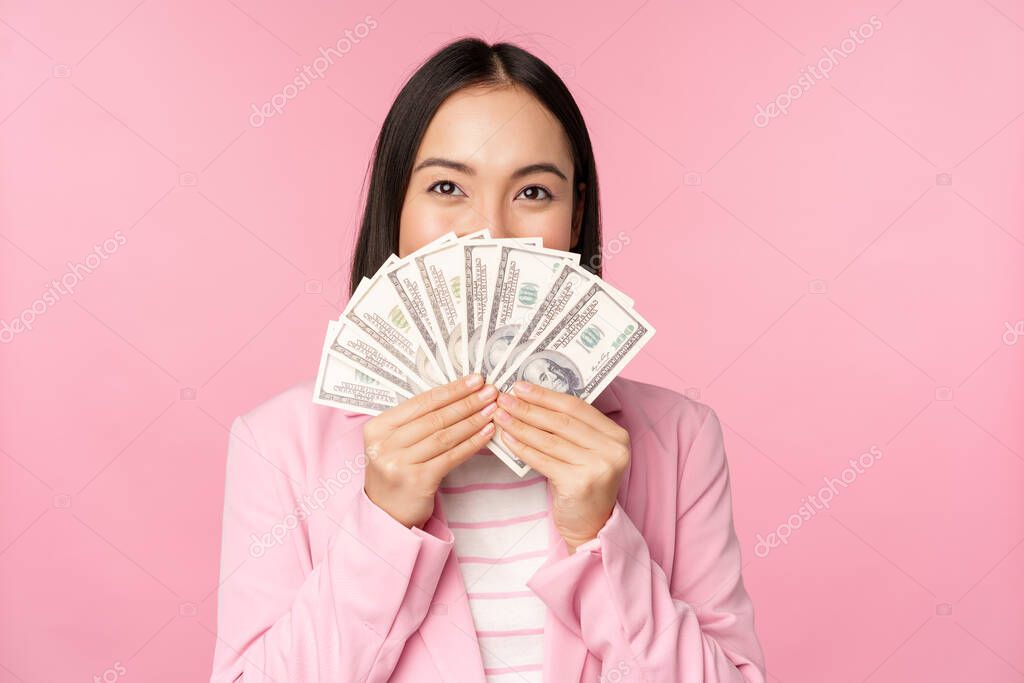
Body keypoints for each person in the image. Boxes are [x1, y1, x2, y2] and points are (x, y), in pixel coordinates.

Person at [209, 37, 767, 683]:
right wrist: (383, 526)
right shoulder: (277, 446)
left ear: (575, 213)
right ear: (395, 207)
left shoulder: (679, 440)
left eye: (533, 193)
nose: (490, 233)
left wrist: (601, 538)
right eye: (447, 186)